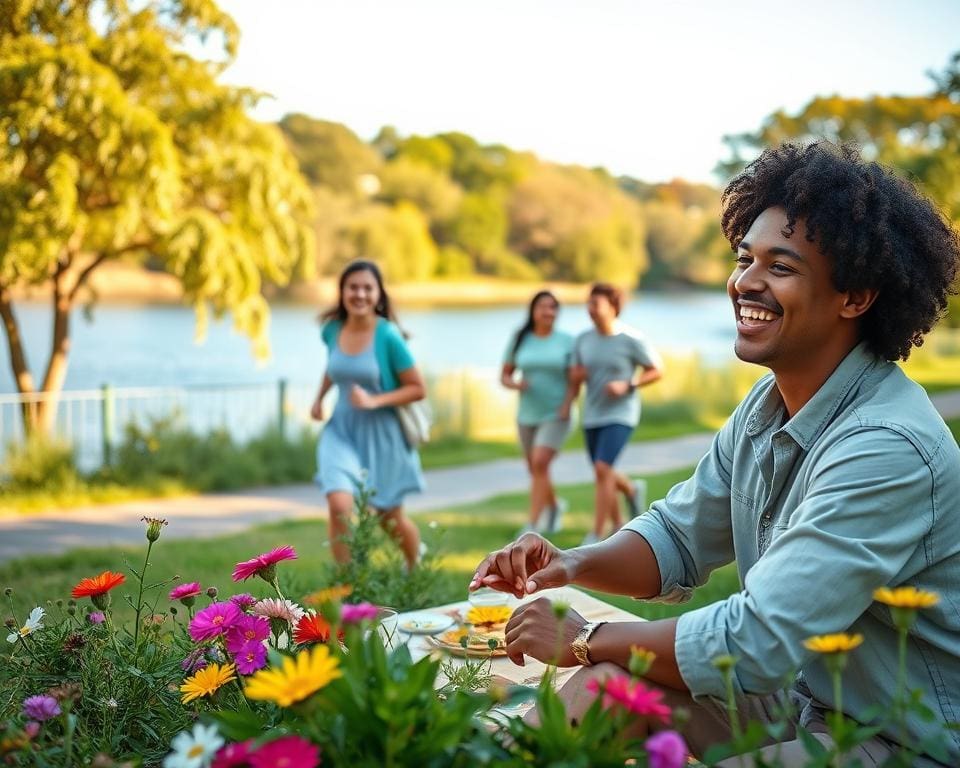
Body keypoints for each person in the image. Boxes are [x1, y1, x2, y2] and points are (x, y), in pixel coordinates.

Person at [469, 142, 960, 766]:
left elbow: (757, 639)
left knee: (607, 666)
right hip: (810, 700)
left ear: (856, 296)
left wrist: (590, 637)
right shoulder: (766, 405)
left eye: (781, 267)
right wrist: (570, 563)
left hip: (905, 738)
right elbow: (678, 536)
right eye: (744, 258)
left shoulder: (887, 448)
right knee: (606, 690)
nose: (746, 282)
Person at [311, 260, 425, 570]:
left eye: (367, 288)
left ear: (378, 294)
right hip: (341, 431)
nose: (359, 294)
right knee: (339, 505)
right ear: (342, 292)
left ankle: (415, 565)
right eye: (353, 287)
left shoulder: (388, 336)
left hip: (382, 437)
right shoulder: (332, 330)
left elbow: (417, 388)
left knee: (389, 517)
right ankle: (348, 583)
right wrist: (319, 398)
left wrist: (375, 401)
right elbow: (335, 366)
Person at [561, 283, 663, 545]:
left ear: (613, 306)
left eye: (596, 304)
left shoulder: (630, 339)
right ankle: (628, 499)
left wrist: (628, 384)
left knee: (602, 468)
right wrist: (567, 401)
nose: (590, 309)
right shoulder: (583, 339)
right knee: (603, 472)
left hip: (622, 412)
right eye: (588, 303)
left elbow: (655, 370)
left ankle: (596, 534)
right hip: (592, 413)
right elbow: (575, 377)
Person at [501, 290, 575, 535]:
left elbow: (575, 379)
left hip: (557, 414)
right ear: (533, 311)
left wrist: (567, 404)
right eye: (543, 306)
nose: (548, 311)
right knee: (536, 469)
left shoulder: (567, 341)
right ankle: (554, 506)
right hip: (527, 414)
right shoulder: (521, 338)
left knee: (540, 462)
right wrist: (515, 384)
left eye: (553, 307)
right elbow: (505, 375)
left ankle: (532, 525)